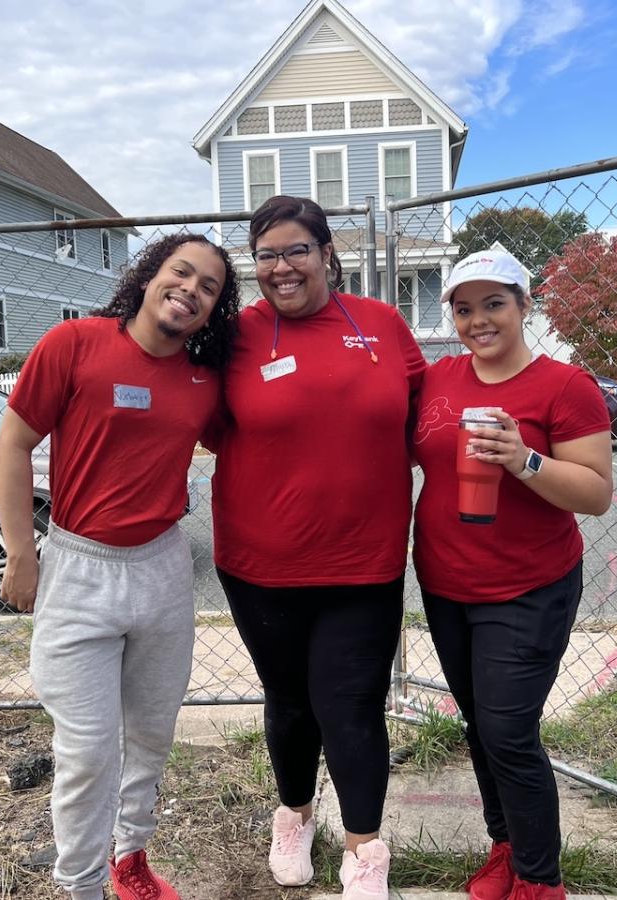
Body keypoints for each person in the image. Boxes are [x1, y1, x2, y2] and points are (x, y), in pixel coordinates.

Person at [0, 233, 240, 900]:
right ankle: (80, 886)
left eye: (209, 286)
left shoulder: (203, 381)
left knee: (152, 734)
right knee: (88, 752)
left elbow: (260, 435)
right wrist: (21, 550)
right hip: (79, 568)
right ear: (149, 274)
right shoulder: (74, 345)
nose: (190, 289)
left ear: (215, 309)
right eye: (180, 272)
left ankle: (129, 858)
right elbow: (14, 441)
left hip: (162, 570)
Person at [208, 195, 426, 899]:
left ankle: (364, 853)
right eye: (266, 254)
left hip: (363, 562)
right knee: (290, 700)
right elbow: (205, 424)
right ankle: (296, 813)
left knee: (352, 704)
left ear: (328, 253)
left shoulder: (383, 325)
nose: (281, 267)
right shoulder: (235, 336)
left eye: (296, 249)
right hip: (259, 562)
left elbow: (426, 420)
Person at [411, 249, 614, 900]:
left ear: (525, 306)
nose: (478, 320)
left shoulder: (563, 386)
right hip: (446, 584)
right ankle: (506, 846)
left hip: (528, 587)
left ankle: (539, 879)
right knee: (478, 723)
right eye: (463, 308)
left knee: (508, 731)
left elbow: (595, 493)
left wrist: (523, 459)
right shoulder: (440, 379)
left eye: (494, 303)